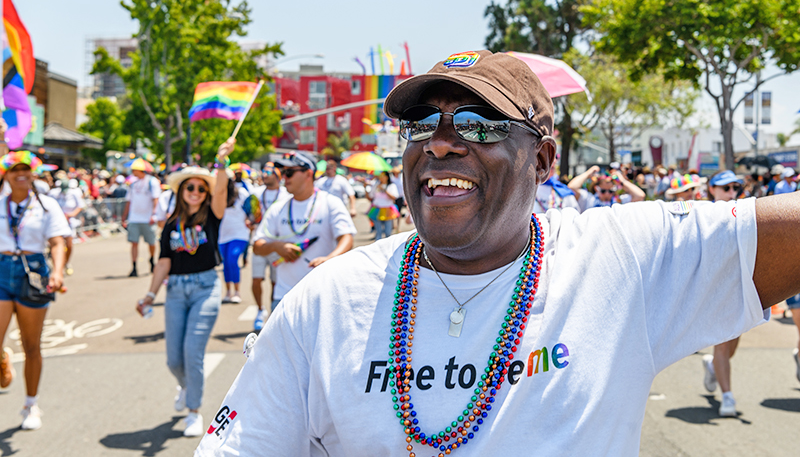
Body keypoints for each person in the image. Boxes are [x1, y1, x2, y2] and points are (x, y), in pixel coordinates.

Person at [196, 50, 800, 456]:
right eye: (420, 126)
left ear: (542, 160)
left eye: (479, 125)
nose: (441, 144)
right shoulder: (323, 304)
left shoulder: (622, 259)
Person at [136, 139, 234, 438]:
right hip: (176, 291)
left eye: (200, 188)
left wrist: (221, 162)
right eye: (190, 188)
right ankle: (185, 384)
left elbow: (220, 190)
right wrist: (150, 295)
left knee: (193, 352)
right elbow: (163, 262)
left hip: (205, 287)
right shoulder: (170, 225)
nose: (195, 192)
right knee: (173, 359)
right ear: (181, 192)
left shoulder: (213, 216)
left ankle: (194, 411)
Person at [0, 152, 70, 431]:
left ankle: (31, 404)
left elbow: (57, 242)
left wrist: (57, 271)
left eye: (25, 169)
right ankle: (4, 359)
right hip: (2, 268)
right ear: (4, 174)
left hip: (34, 272)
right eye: (14, 169)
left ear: (33, 174)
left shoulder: (47, 204)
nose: (20, 174)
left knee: (31, 345)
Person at [251, 151, 356, 313]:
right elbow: (258, 246)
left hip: (322, 296)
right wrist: (277, 247)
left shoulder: (330, 203)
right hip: (284, 297)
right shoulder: (278, 208)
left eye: (289, 172)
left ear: (308, 173)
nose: (284, 177)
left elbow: (347, 238)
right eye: (282, 173)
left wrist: (329, 259)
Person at [699, 170, 745, 417]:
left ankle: (713, 367)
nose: (730, 193)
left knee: (732, 345)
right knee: (723, 344)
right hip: (714, 289)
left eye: (734, 189)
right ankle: (728, 397)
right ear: (712, 189)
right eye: (725, 188)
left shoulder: (743, 214)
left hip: (738, 287)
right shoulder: (702, 215)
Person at [250, 163, 289, 331]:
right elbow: (250, 213)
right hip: (259, 242)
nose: (264, 175)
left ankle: (274, 312)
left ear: (278, 175)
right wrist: (250, 220)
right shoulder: (256, 194)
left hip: (278, 244)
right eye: (263, 171)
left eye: (268, 172)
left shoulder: (287, 195)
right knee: (256, 279)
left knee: (275, 282)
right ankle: (260, 310)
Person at [218, 172, 251, 303]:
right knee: (225, 263)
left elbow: (251, 208)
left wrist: (250, 220)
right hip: (222, 235)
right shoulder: (217, 195)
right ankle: (228, 292)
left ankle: (237, 292)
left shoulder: (241, 192)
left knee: (232, 259)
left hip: (239, 233)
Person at [123, 164, 160, 276]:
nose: (133, 171)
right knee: (134, 243)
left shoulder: (152, 182)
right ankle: (134, 267)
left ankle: (152, 260)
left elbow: (156, 199)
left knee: (151, 242)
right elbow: (129, 201)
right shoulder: (133, 184)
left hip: (147, 218)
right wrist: (124, 216)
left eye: (134, 169)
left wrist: (154, 214)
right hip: (134, 218)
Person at [568, 165, 645, 211]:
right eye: (603, 191)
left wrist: (622, 181)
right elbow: (571, 187)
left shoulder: (619, 201)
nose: (607, 194)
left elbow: (640, 196)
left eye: (611, 191)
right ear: (596, 188)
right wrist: (588, 173)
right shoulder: (588, 199)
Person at [48, 178, 85, 275]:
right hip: (57, 222)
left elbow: (80, 206)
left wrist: (71, 214)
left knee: (69, 244)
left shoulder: (74, 193)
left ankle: (66, 262)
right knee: (55, 244)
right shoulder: (54, 193)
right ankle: (57, 267)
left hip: (69, 222)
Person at [367, 171, 400, 239]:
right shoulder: (376, 185)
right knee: (378, 232)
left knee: (388, 232)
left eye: (383, 176)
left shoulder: (391, 185)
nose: (381, 178)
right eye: (380, 176)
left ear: (387, 177)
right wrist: (365, 188)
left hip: (388, 210)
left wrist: (384, 190)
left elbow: (394, 197)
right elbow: (370, 196)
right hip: (377, 209)